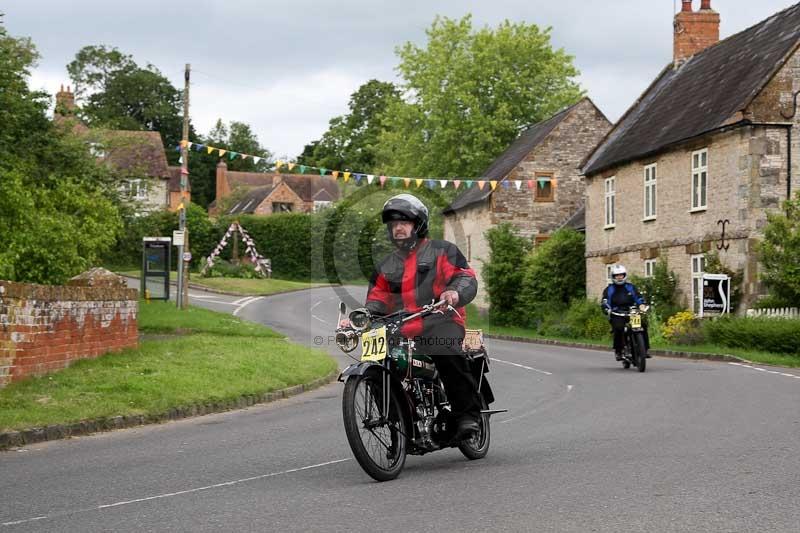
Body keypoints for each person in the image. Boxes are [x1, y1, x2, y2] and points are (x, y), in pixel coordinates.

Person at [342, 193, 483, 441]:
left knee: (445, 351)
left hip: (440, 320)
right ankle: (398, 419)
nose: (398, 228)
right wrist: (360, 319)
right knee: (378, 358)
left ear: (418, 224)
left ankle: (467, 416)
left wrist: (453, 293)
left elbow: (466, 277)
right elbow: (376, 301)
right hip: (402, 328)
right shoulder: (386, 266)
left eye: (403, 222)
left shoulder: (443, 251)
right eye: (393, 224)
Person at [600, 264, 649, 360]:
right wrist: (606, 308)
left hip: (631, 311)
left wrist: (642, 305)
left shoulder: (630, 287)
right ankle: (618, 350)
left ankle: (644, 350)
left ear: (624, 275)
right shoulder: (609, 289)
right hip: (617, 313)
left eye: (621, 275)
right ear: (613, 277)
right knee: (619, 328)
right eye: (617, 276)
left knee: (642, 325)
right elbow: (605, 301)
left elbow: (638, 297)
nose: (619, 277)